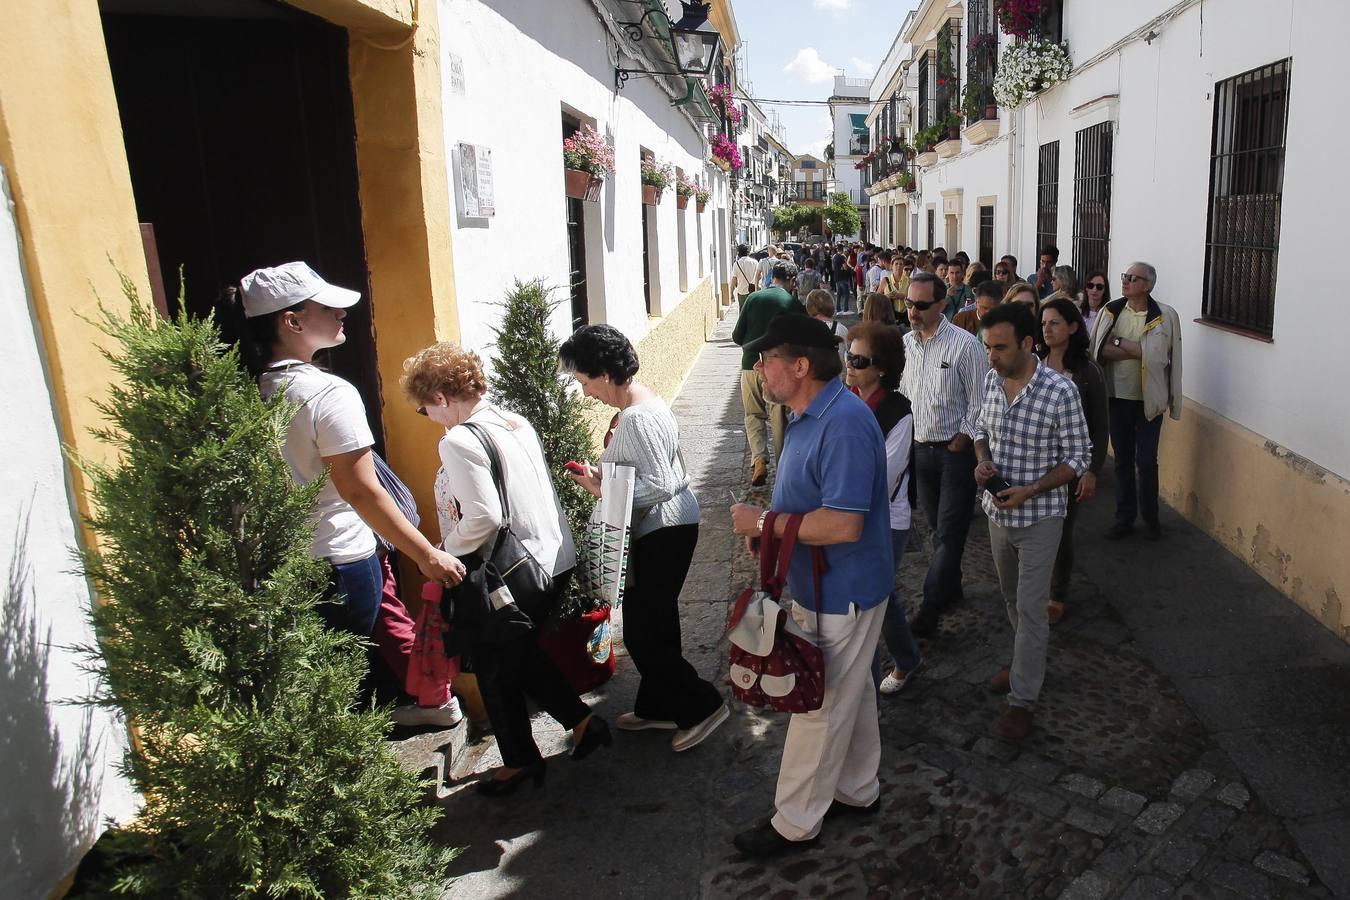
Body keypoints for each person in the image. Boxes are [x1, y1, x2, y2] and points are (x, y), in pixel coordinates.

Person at [230, 262, 464, 728]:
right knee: (338, 684)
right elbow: (359, 490)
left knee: (312, 687)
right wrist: (425, 555)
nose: (341, 314)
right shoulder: (327, 393)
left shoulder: (246, 390)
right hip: (339, 559)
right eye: (327, 307)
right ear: (291, 321)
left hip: (282, 560)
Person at [402, 343, 610, 794]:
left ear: (439, 397)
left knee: (495, 664)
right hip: (553, 560)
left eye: (423, 409)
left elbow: (484, 518)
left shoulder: (458, 439)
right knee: (519, 653)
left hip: (514, 571)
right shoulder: (515, 421)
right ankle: (581, 723)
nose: (428, 418)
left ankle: (521, 761)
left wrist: (443, 550)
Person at [728, 314, 894, 857]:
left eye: (766, 358)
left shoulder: (841, 422)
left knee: (818, 708)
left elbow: (844, 524)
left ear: (800, 366)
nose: (758, 368)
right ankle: (858, 789)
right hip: (825, 586)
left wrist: (763, 523)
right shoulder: (806, 414)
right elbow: (806, 499)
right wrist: (775, 528)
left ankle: (795, 822)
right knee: (852, 691)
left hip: (842, 590)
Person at [560, 325, 729, 751]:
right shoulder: (645, 402)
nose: (585, 393)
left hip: (664, 529)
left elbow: (657, 484)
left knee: (642, 634)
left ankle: (701, 705)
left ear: (603, 372)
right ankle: (657, 706)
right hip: (667, 525)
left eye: (583, 381)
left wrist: (601, 489)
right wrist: (606, 478)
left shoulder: (634, 418)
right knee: (655, 622)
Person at [972, 303, 1090, 740]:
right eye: (988, 347)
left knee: (1030, 605)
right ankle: (1028, 661)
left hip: (1041, 516)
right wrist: (983, 462)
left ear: (1026, 343)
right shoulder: (990, 379)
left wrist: (1032, 489)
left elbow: (1079, 457)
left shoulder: (1061, 391)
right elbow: (979, 427)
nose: (992, 356)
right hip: (996, 513)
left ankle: (1023, 699)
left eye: (1000, 347)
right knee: (1008, 597)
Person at [900, 272, 986, 637]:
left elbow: (981, 400)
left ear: (941, 305)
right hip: (919, 451)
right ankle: (952, 586)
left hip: (954, 454)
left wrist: (963, 439)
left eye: (921, 305)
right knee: (936, 528)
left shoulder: (966, 346)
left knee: (949, 532)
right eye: (908, 304)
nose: (913, 312)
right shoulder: (905, 344)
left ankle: (931, 606)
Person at [844, 323, 922, 695]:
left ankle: (866, 692)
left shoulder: (897, 413)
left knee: (866, 603)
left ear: (882, 369)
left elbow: (883, 480)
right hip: (848, 517)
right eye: (849, 356)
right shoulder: (845, 401)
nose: (851, 365)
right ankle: (907, 659)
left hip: (886, 522)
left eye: (860, 360)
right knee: (880, 595)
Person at [1090, 262, 1183, 540]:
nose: (1126, 281)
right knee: (1122, 461)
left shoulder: (1165, 316)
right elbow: (1099, 348)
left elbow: (1166, 359)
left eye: (1133, 278)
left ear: (1148, 285)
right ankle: (1124, 517)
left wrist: (1123, 345)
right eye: (1125, 276)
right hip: (1117, 398)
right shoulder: (1111, 312)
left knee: (1146, 460)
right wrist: (1137, 350)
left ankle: (1151, 517)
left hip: (1149, 401)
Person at [1038, 299, 1108, 625]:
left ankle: (1057, 593)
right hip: (1036, 462)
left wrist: (1092, 471)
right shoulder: (1035, 364)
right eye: (1044, 323)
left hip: (1071, 465)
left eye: (1054, 322)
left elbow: (1100, 423)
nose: (1047, 329)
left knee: (1062, 533)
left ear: (1073, 327)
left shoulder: (1086, 371)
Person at [734, 264, 807, 486]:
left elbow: (738, 336)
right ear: (792, 280)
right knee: (778, 417)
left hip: (750, 364)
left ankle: (759, 460)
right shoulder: (792, 303)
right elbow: (804, 337)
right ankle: (783, 465)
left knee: (753, 414)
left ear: (771, 277)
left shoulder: (754, 298)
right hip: (779, 369)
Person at [806, 288, 849, 377]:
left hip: (812, 380)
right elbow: (849, 355)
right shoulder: (842, 329)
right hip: (837, 379)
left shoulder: (805, 329)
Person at [1080, 269, 1110, 337]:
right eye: (1090, 286)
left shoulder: (1109, 314)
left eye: (1099, 287)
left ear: (1105, 290)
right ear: (1086, 288)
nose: (1094, 290)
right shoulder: (1077, 310)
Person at [732, 244, 760, 308]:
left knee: (742, 312)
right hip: (753, 290)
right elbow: (759, 276)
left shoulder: (736, 264)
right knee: (753, 311)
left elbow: (734, 279)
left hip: (741, 291)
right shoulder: (755, 262)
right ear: (748, 252)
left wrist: (731, 293)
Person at [831, 245, 854, 313]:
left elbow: (833, 267)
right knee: (846, 293)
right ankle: (845, 309)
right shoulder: (841, 257)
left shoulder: (834, 256)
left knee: (839, 294)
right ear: (842, 250)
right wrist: (844, 267)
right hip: (842, 277)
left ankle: (838, 309)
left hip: (836, 276)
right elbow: (845, 267)